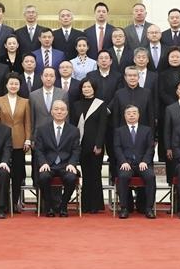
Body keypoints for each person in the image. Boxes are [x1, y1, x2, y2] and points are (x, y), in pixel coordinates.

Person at [33, 100, 81, 216]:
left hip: (65, 165)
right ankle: (49, 206)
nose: (59, 112)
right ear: (51, 112)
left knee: (71, 177)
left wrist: (72, 163)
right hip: (48, 165)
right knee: (43, 177)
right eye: (56, 109)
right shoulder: (42, 130)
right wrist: (43, 163)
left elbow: (76, 150)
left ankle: (63, 206)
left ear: (66, 113)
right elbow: (39, 150)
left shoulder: (74, 130)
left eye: (62, 109)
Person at [69, 79, 109, 213]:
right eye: (84, 87)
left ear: (94, 89)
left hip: (95, 146)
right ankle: (85, 204)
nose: (86, 89)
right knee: (86, 175)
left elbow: (103, 126)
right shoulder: (76, 105)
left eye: (89, 87)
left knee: (95, 174)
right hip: (81, 144)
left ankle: (95, 205)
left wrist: (99, 144)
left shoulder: (101, 104)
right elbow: (73, 125)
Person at [113, 105, 156, 219]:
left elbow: (150, 148)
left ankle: (149, 208)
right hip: (126, 164)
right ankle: (124, 208)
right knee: (123, 176)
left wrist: (145, 161)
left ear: (138, 115)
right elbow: (117, 148)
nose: (131, 115)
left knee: (150, 176)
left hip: (143, 163)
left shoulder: (147, 130)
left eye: (134, 113)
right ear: (125, 116)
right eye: (129, 113)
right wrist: (123, 162)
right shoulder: (119, 131)